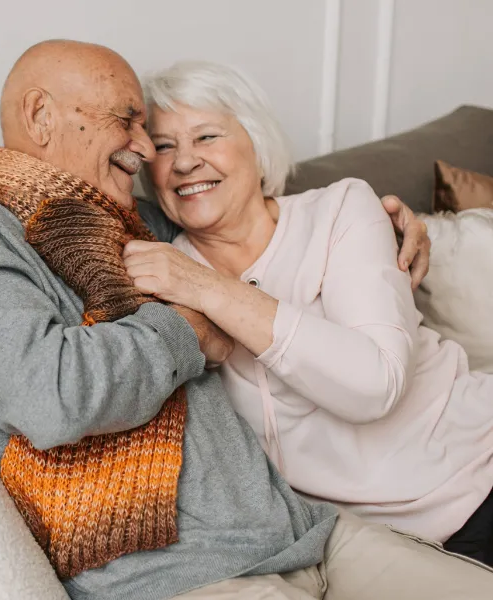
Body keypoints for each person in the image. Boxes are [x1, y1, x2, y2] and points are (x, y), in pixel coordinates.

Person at [0, 40, 491, 600]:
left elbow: (249, 211)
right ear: (40, 115)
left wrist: (399, 223)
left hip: (307, 532)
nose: (146, 151)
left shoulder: (138, 225)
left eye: (153, 132)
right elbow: (49, 395)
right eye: (130, 122)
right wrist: (189, 330)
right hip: (187, 571)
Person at [124, 59, 493, 566]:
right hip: (382, 545)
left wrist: (209, 289)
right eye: (164, 146)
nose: (185, 162)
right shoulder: (161, 271)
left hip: (478, 463)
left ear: (256, 144)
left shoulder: (341, 209)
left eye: (206, 136)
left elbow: (375, 384)